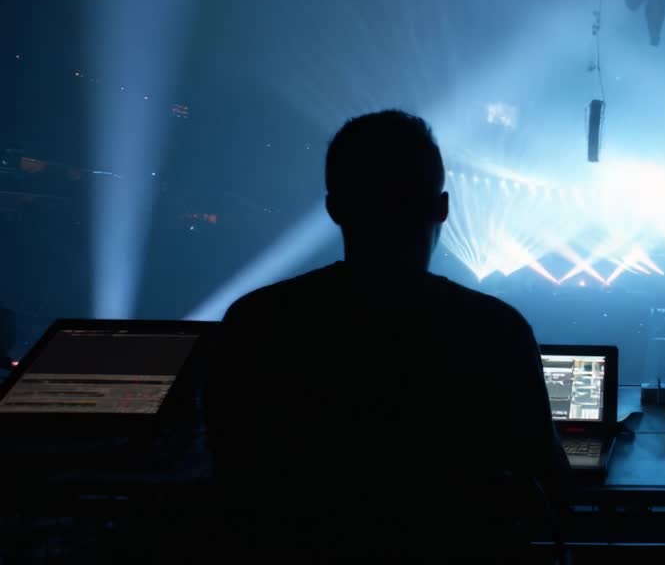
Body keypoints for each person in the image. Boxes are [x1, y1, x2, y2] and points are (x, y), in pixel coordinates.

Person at [207, 110, 569, 559]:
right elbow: (552, 476)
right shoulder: (497, 328)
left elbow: (226, 466)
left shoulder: (253, 323)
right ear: (442, 209)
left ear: (334, 208)